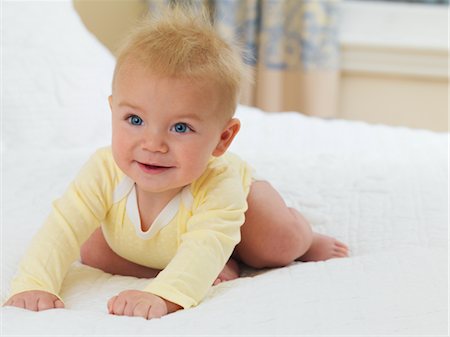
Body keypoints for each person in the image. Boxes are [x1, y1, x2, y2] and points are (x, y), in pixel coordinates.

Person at [3, 5, 348, 320]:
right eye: (134, 120)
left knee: (276, 244)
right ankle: (194, 266)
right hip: (155, 244)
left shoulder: (219, 181)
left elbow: (209, 238)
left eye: (180, 127)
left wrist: (167, 295)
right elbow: (61, 227)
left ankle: (304, 236)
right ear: (112, 112)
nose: (153, 145)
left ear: (223, 139)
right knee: (90, 248)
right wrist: (34, 283)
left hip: (241, 223)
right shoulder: (104, 169)